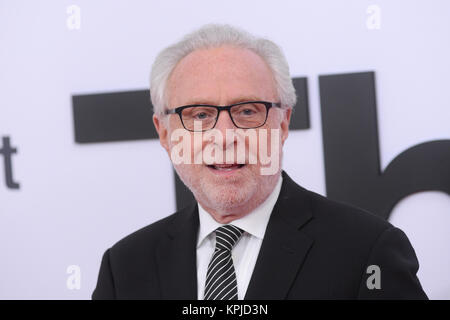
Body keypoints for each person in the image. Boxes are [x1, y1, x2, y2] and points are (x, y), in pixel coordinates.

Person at [92, 24, 427, 299]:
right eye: (200, 114)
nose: (224, 136)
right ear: (164, 133)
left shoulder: (366, 251)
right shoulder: (124, 268)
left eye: (247, 111)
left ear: (282, 124)